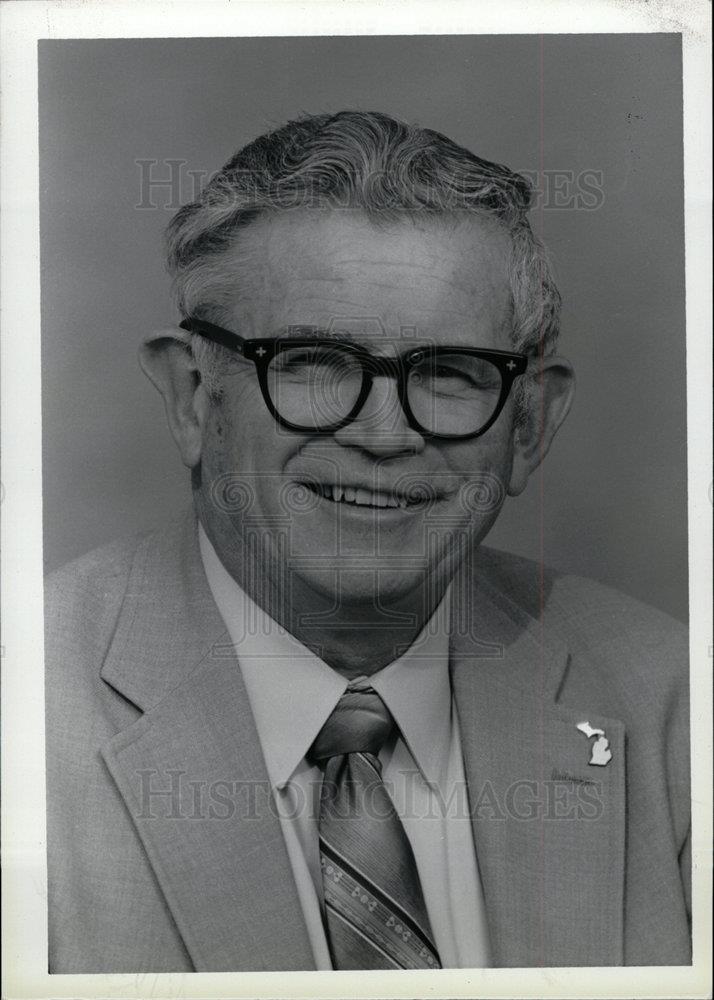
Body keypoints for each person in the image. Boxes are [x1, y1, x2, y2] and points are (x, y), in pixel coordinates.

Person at [45, 110, 690, 972]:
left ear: (529, 425)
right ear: (193, 397)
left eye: (450, 374)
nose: (385, 436)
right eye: (313, 363)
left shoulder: (675, 706)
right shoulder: (29, 709)